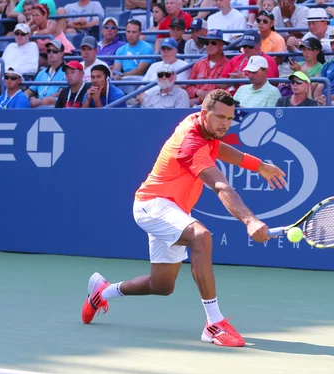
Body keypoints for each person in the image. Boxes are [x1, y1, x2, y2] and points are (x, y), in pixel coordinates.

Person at [81, 89, 287, 347]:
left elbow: (218, 147)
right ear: (204, 114)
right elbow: (221, 186)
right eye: (219, 117)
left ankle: (103, 292)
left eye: (229, 118)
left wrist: (259, 165)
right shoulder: (189, 142)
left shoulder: (203, 128)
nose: (225, 123)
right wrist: (250, 220)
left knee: (162, 285)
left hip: (173, 209)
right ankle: (213, 323)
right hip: (153, 205)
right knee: (201, 236)